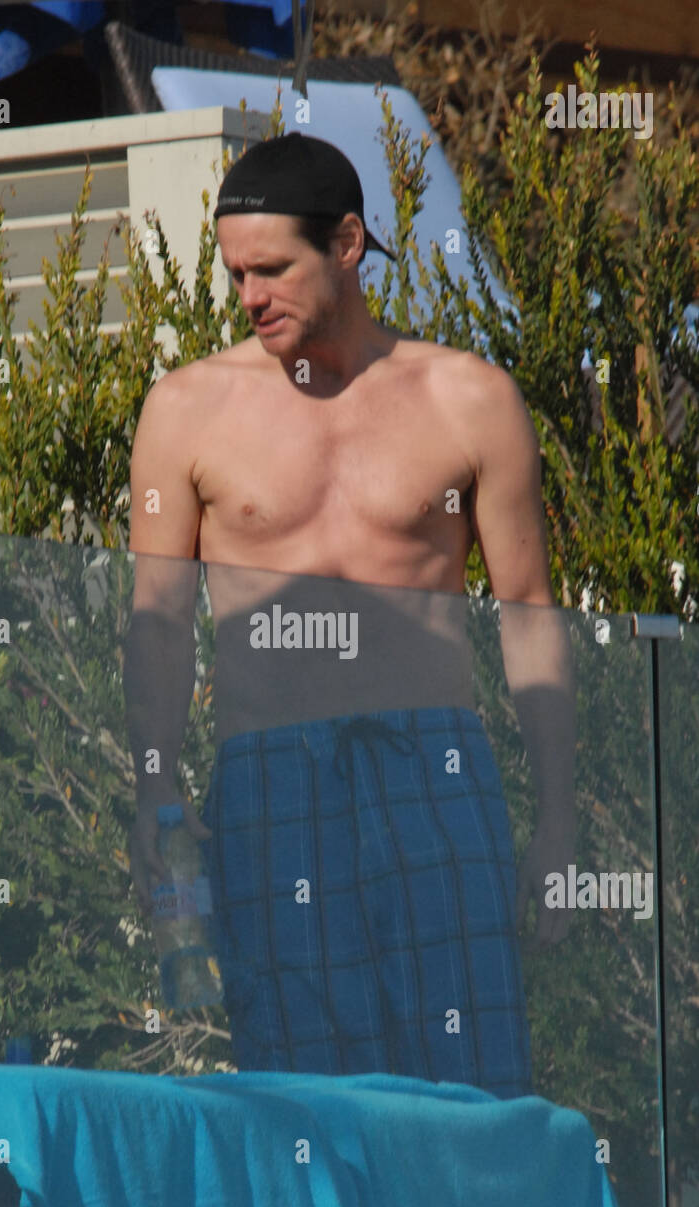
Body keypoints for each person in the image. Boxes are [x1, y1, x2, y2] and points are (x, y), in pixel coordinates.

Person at [125, 133, 577, 1096]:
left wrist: (559, 820)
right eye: (236, 273)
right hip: (271, 776)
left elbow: (529, 610)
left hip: (436, 766)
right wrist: (154, 785)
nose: (250, 297)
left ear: (346, 242)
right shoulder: (186, 408)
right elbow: (157, 618)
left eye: (272, 269)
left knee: (470, 1089)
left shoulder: (468, 399)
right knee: (300, 1099)